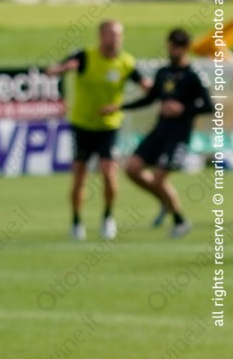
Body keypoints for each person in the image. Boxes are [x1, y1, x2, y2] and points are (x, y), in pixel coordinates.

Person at [101, 28, 213, 238]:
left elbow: (208, 106)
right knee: (132, 169)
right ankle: (164, 201)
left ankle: (180, 221)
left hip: (179, 135)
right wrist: (120, 107)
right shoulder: (163, 72)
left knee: (160, 179)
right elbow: (150, 98)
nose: (171, 50)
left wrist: (183, 109)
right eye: (170, 46)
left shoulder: (193, 75)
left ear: (184, 48)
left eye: (176, 47)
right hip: (160, 130)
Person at [46, 20, 150, 240]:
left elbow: (147, 87)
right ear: (101, 36)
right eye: (111, 34)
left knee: (109, 173)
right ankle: (76, 221)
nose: (116, 39)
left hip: (108, 126)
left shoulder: (126, 62)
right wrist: (62, 69)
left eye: (119, 35)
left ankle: (108, 217)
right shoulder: (84, 56)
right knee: (80, 177)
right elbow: (53, 70)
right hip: (82, 125)